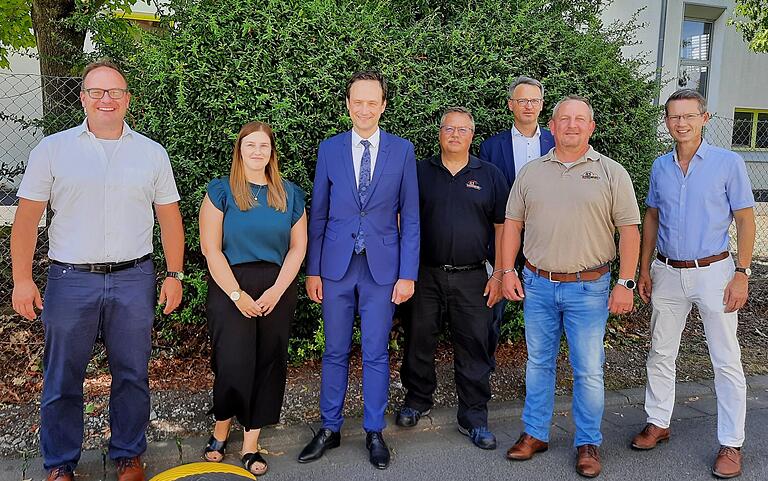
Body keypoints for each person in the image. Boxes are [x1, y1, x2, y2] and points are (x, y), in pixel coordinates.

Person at [11, 60, 184, 481]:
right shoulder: (52, 150)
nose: (106, 99)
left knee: (132, 373)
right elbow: (27, 219)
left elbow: (171, 219)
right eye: (96, 92)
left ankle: (127, 454)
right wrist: (21, 279)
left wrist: (175, 275)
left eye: (115, 92)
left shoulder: (151, 153)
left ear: (128, 99)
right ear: (83, 97)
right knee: (63, 376)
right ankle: (60, 464)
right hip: (71, 280)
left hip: (133, 277)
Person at [501, 95, 640, 478]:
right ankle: (535, 433)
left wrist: (625, 283)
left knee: (589, 369)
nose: (572, 126)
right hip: (538, 284)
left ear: (592, 127)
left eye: (581, 120)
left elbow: (629, 231)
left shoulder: (612, 172)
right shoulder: (531, 172)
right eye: (565, 119)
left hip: (590, 288)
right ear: (552, 126)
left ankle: (588, 442)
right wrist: (506, 271)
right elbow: (513, 222)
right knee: (538, 363)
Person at [631, 89, 755, 479]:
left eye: (688, 116)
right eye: (673, 117)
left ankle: (731, 442)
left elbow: (747, 220)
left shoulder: (727, 163)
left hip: (715, 272)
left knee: (725, 359)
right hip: (667, 270)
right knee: (661, 352)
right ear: (666, 121)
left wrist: (743, 273)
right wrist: (644, 267)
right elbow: (651, 216)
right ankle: (658, 422)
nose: (680, 123)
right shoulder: (660, 167)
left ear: (704, 118)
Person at [299, 71, 419, 470]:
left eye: (373, 102)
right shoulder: (330, 149)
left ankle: (373, 430)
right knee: (333, 350)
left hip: (382, 269)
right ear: (348, 104)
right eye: (358, 101)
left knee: (376, 352)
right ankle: (329, 428)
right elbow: (318, 213)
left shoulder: (402, 151)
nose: (365, 109)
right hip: (335, 267)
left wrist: (408, 273)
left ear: (383, 106)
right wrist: (313, 270)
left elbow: (412, 216)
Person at [199, 121, 307, 476]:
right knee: (232, 361)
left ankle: (250, 443)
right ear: (240, 150)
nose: (257, 151)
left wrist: (277, 290)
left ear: (272, 152)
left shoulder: (289, 193)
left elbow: (297, 248)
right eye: (250, 145)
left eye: (264, 146)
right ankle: (220, 429)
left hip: (277, 286)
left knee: (268, 362)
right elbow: (211, 250)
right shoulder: (221, 191)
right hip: (231, 283)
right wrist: (236, 294)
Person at [397, 107, 508, 450]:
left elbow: (503, 227)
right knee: (417, 341)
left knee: (475, 346)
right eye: (449, 128)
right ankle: (417, 401)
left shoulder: (489, 174)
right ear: (440, 133)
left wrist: (501, 272)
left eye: (462, 129)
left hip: (473, 276)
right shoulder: (419, 172)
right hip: (424, 275)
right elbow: (401, 218)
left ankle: (473, 416)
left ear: (472, 135)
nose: (455, 134)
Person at [478, 76, 555, 365]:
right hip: (502, 233)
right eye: (522, 100)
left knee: (542, 308)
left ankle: (538, 369)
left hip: (544, 236)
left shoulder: (555, 141)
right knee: (493, 301)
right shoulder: (491, 147)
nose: (528, 106)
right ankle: (485, 366)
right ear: (511, 104)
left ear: (542, 104)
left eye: (534, 100)